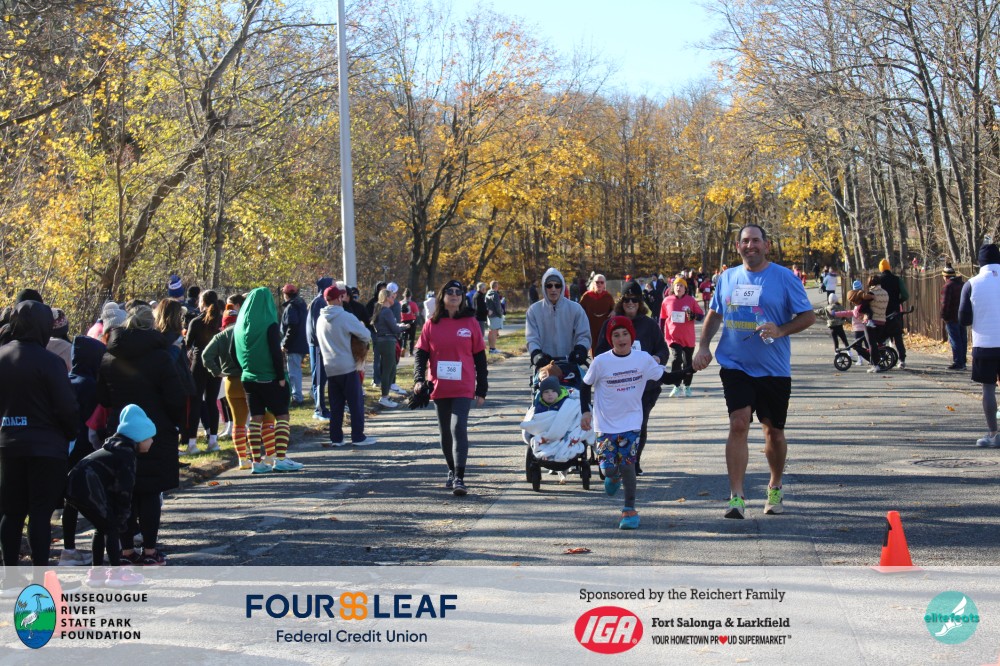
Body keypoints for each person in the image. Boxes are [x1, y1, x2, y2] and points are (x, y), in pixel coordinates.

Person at [692, 224, 815, 519]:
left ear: (766, 245)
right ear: (738, 246)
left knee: (773, 431)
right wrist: (703, 345)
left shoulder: (784, 277)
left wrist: (781, 330)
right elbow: (715, 313)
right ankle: (736, 496)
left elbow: (808, 316)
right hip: (736, 365)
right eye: (745, 241)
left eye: (756, 241)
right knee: (738, 423)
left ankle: (775, 485)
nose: (751, 246)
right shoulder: (727, 277)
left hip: (773, 368)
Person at [581, 316, 688, 530]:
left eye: (625, 334)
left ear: (632, 336)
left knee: (628, 465)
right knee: (608, 469)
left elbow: (665, 378)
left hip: (631, 422)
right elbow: (585, 386)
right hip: (605, 424)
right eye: (616, 335)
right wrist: (585, 412)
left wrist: (689, 370)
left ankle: (629, 510)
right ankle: (613, 477)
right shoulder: (601, 362)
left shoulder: (643, 359)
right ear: (611, 339)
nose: (621, 339)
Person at [97, 305, 185, 565]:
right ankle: (149, 550)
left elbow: (102, 397)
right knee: (149, 491)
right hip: (154, 430)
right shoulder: (161, 358)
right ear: (152, 326)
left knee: (124, 490)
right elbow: (175, 397)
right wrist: (174, 422)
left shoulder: (109, 357)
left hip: (120, 430)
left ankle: (126, 551)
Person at [0, 300, 79, 567]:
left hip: (8, 443)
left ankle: (9, 573)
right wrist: (70, 433)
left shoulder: (2, 357)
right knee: (40, 513)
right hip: (46, 447)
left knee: (11, 512)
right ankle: (39, 573)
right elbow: (67, 406)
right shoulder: (50, 362)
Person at [412, 279, 488, 496]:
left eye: (458, 292)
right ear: (442, 296)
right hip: (439, 385)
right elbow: (420, 354)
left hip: (463, 385)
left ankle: (459, 478)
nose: (454, 295)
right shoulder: (431, 324)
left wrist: (482, 388)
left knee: (458, 427)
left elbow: (480, 358)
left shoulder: (470, 322)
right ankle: (451, 470)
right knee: (445, 431)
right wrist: (419, 379)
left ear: (462, 297)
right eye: (450, 292)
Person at [65, 404, 154, 587]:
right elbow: (124, 489)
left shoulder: (116, 449)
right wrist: (122, 517)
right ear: (138, 437)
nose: (152, 441)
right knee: (111, 527)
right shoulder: (126, 455)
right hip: (87, 486)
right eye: (149, 437)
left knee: (102, 527)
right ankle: (115, 574)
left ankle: (97, 573)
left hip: (75, 485)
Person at [595, 280, 671, 475]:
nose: (630, 303)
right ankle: (612, 461)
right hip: (616, 387)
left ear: (640, 302)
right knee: (614, 427)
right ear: (621, 302)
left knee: (638, 425)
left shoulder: (649, 324)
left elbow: (663, 349)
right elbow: (599, 352)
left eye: (635, 300)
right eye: (627, 299)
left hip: (645, 388)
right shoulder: (611, 324)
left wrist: (657, 358)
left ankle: (633, 462)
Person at [234, 287, 304, 474]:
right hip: (270, 377)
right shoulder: (269, 325)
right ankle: (280, 459)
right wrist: (280, 377)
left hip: (248, 378)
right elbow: (275, 353)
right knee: (282, 416)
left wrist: (245, 370)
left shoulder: (240, 325)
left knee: (255, 419)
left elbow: (233, 353)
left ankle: (256, 462)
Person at [59, 335, 107, 566]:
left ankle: (68, 549)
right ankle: (111, 541)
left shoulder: (66, 381)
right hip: (86, 451)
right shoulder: (91, 386)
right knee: (95, 499)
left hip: (64, 450)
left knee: (70, 502)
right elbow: (94, 424)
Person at [317, 284, 376, 447]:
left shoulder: (320, 319)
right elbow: (366, 335)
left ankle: (336, 438)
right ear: (339, 298)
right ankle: (358, 437)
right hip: (348, 366)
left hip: (330, 367)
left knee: (336, 406)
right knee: (355, 404)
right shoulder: (345, 316)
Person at [958, 242, 1000, 448]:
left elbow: (963, 319)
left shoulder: (971, 284)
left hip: (984, 344)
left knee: (988, 389)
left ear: (979, 262)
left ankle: (993, 434)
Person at [527, 268, 591, 374]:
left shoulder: (575, 309)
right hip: (545, 367)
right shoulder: (534, 311)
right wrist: (536, 354)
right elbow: (532, 338)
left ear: (562, 287)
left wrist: (581, 349)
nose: (553, 289)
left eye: (557, 285)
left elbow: (583, 334)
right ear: (544, 287)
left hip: (571, 364)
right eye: (549, 285)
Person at [184, 290, 223, 453]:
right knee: (212, 401)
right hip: (216, 363)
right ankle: (213, 441)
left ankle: (192, 443)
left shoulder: (196, 321)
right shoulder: (220, 320)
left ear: (202, 302)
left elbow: (188, 343)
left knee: (196, 402)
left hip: (199, 363)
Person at [660, 278, 704, 399]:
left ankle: (687, 386)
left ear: (685, 288)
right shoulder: (667, 301)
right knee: (677, 359)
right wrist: (660, 334)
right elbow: (662, 319)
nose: (678, 288)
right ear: (673, 288)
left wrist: (692, 315)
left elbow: (701, 316)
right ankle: (676, 385)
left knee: (687, 362)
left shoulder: (690, 300)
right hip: (673, 336)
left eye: (681, 286)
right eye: (676, 285)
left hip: (688, 337)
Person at [372, 288, 409, 407]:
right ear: (387, 298)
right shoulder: (387, 311)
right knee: (388, 370)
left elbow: (387, 326)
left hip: (382, 341)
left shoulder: (379, 310)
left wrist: (398, 326)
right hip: (388, 341)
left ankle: (386, 396)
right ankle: (384, 397)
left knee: (390, 369)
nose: (394, 299)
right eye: (392, 297)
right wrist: (404, 327)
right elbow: (394, 328)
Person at [306, 277, 335, 421]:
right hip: (317, 344)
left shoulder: (321, 301)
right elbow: (317, 325)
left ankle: (322, 407)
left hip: (320, 344)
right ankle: (319, 409)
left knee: (322, 378)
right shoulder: (319, 302)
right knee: (318, 378)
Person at [279, 284, 309, 405]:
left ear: (286, 294)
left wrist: (285, 344)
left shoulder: (291, 307)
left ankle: (297, 397)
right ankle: (299, 395)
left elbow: (292, 327)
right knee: (297, 371)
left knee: (294, 372)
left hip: (294, 345)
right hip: (303, 342)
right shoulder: (302, 304)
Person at [878, 258, 909, 369]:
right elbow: (905, 295)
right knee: (897, 337)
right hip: (895, 312)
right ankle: (902, 360)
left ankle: (881, 357)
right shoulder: (897, 279)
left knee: (880, 336)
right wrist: (898, 301)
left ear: (880, 269)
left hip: (881, 312)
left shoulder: (878, 280)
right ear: (889, 267)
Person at [578, 274, 615, 357]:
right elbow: (579, 310)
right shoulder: (587, 296)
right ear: (593, 283)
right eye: (597, 282)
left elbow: (614, 308)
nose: (599, 284)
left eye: (602, 282)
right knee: (594, 350)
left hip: (604, 328)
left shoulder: (608, 296)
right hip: (591, 328)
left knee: (605, 349)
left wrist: (614, 311)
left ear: (604, 284)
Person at [941, 265, 966, 370]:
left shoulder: (947, 286)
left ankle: (958, 362)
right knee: (962, 339)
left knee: (955, 340)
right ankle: (963, 362)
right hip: (962, 316)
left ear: (945, 276)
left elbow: (945, 303)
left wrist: (944, 316)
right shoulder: (963, 285)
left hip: (951, 317)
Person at [485, 281, 504, 354]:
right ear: (496, 286)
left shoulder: (488, 293)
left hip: (490, 315)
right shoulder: (495, 294)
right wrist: (500, 313)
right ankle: (493, 349)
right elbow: (498, 306)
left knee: (491, 332)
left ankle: (491, 348)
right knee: (494, 332)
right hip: (495, 315)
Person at [399, 288, 419, 356]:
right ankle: (411, 352)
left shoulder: (400, 303)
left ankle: (403, 347)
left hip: (403, 321)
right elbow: (417, 314)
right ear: (410, 295)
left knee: (404, 337)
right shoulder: (413, 304)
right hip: (411, 321)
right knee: (411, 338)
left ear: (403, 295)